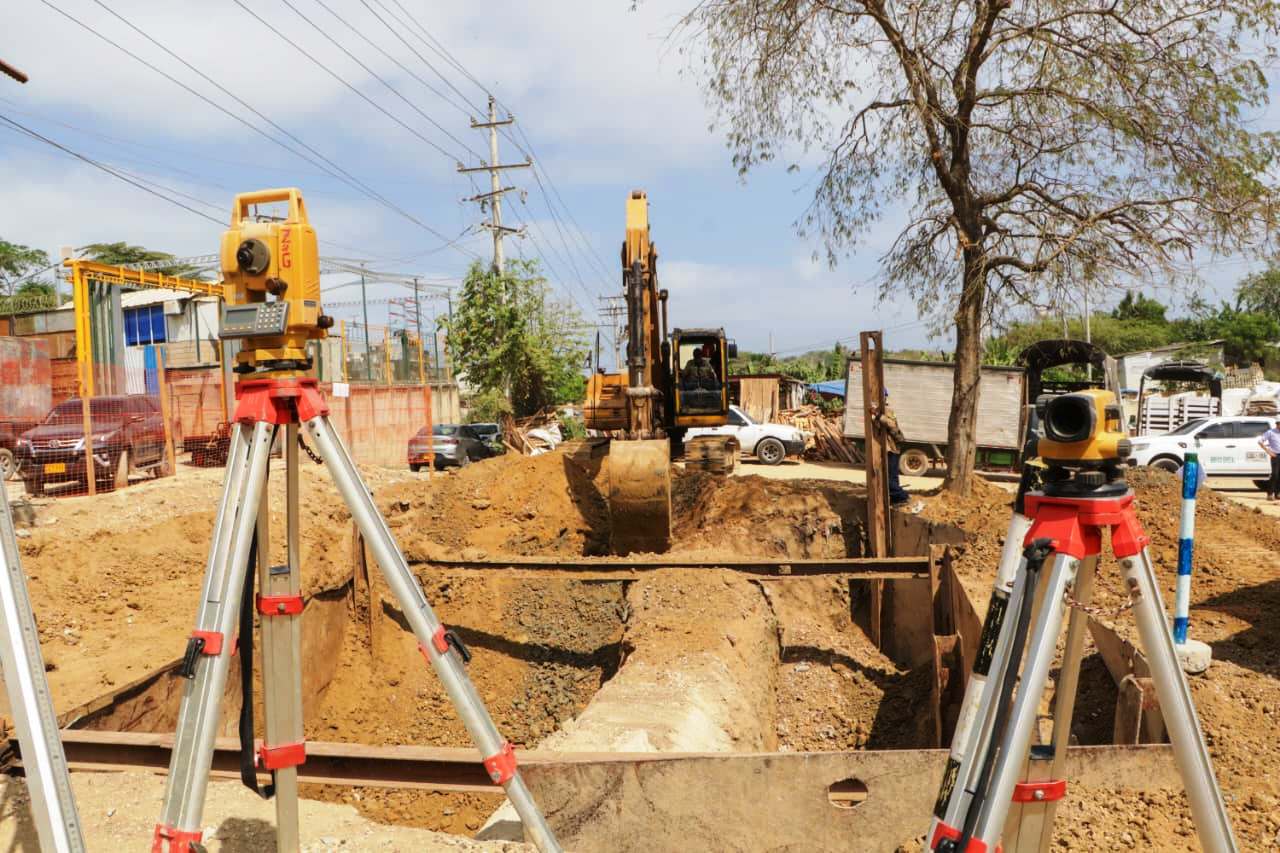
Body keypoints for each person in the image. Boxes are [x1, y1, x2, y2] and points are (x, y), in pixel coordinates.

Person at [874, 391, 912, 507]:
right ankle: (897, 500)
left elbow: (891, 424)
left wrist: (879, 416)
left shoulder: (887, 411)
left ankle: (903, 496)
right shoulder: (881, 411)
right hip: (888, 448)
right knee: (893, 477)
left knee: (888, 478)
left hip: (891, 448)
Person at [1258, 420, 1280, 500]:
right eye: (1279, 424)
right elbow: (1260, 441)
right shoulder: (1270, 432)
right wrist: (1268, 451)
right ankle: (1270, 493)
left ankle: (1278, 494)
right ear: (1277, 424)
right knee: (1275, 474)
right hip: (1275, 456)